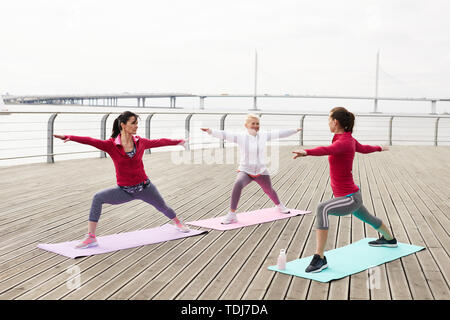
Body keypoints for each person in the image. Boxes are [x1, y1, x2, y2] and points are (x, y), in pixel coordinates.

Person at [54, 111, 190, 249]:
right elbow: (91, 141)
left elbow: (159, 142)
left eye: (137, 123)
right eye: (133, 123)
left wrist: (179, 141)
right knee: (98, 197)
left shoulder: (140, 142)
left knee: (163, 207)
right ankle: (91, 238)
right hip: (124, 191)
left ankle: (178, 222)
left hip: (145, 188)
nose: (136, 126)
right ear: (123, 125)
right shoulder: (111, 145)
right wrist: (69, 137)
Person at [292, 107, 397, 273]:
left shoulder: (344, 142)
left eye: (329, 120)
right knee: (369, 218)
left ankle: (320, 258)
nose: (328, 123)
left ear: (335, 122)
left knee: (322, 208)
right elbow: (363, 148)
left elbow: (327, 150)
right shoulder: (347, 139)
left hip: (350, 198)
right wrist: (378, 148)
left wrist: (306, 152)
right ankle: (390, 239)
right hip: (351, 196)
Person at [201, 114, 301, 224]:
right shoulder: (241, 137)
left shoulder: (263, 135)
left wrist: (294, 130)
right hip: (246, 170)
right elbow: (225, 134)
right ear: (246, 125)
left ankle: (279, 206)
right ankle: (232, 214)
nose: (255, 126)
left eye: (257, 123)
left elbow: (279, 134)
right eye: (252, 123)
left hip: (261, 171)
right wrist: (210, 131)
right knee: (238, 184)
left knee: (268, 190)